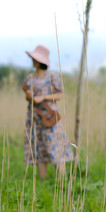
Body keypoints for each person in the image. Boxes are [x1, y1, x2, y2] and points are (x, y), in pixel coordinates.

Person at [21, 44, 74, 179]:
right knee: (38, 147)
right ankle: (42, 180)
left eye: (34, 59)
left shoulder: (52, 77)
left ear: (40, 61)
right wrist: (30, 96)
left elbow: (59, 95)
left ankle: (62, 180)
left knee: (55, 146)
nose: (32, 61)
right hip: (34, 117)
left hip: (49, 117)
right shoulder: (29, 78)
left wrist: (43, 97)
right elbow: (27, 97)